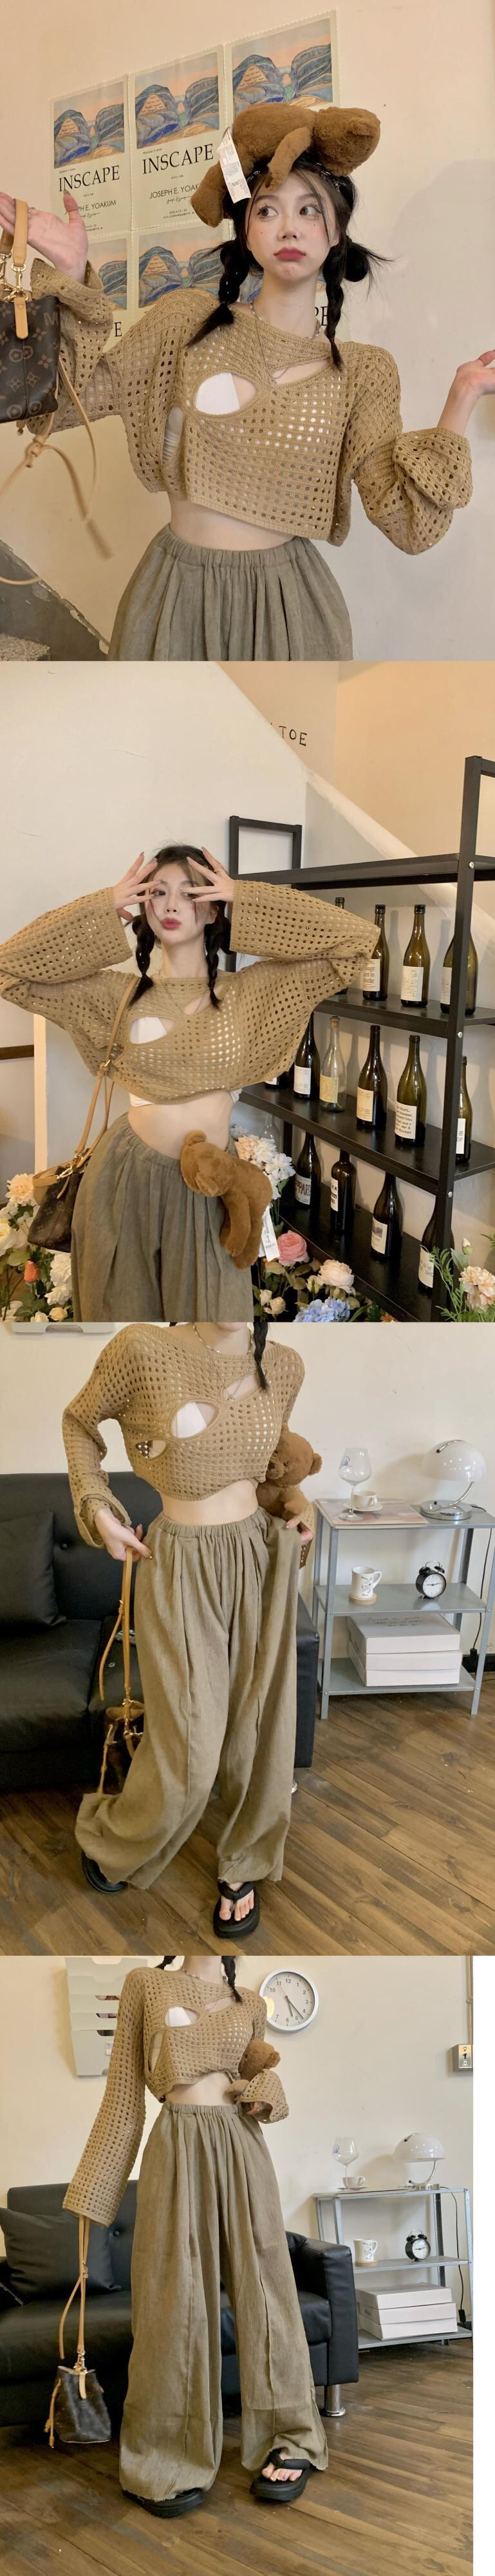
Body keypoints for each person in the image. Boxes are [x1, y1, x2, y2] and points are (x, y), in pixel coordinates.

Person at [1, 102, 489, 661]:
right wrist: (69, 276)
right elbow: (57, 407)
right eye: (267, 211)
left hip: (287, 610)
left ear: (335, 233)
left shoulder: (363, 373)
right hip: (174, 595)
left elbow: (409, 526)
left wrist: (461, 397)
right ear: (246, 234)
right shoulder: (183, 324)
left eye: (309, 210)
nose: (289, 227)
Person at [0, 845, 377, 1319]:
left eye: (190, 892)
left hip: (209, 1185)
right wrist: (102, 909)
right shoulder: (116, 995)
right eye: (158, 893)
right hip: (124, 1179)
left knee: (215, 1328)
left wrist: (246, 897)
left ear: (213, 908)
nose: (172, 905)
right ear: (144, 907)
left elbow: (356, 944)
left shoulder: (248, 993)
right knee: (125, 1325)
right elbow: (9, 970)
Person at [62, 1317, 315, 1932]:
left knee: (259, 1723)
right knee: (190, 1743)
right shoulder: (143, 1348)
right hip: (178, 1562)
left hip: (259, 1554)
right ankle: (121, 1835)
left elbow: (268, 1468)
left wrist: (297, 1503)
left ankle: (245, 1858)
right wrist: (98, 1508)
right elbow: (79, 1423)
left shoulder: (283, 1364)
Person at [62, 1952, 328, 2516]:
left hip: (243, 2146)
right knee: (173, 2299)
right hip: (176, 2144)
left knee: (268, 2293)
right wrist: (93, 2193)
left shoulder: (250, 2002)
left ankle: (289, 2434)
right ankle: (167, 2451)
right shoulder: (146, 1983)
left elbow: (260, 2078)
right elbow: (123, 2096)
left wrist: (265, 2091)